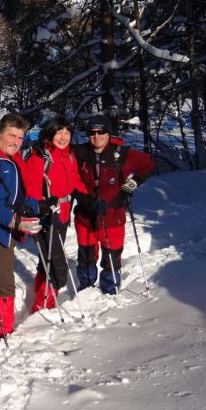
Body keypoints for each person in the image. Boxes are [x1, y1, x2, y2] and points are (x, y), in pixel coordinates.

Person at [0, 113, 41, 343]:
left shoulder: (12, 161)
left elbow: (18, 195)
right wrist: (14, 220)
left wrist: (39, 207)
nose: (15, 141)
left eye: (20, 137)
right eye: (11, 135)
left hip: (5, 228)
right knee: (4, 285)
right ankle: (1, 333)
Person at [73, 115, 155, 294]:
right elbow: (60, 160)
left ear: (108, 133)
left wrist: (131, 185)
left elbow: (148, 164)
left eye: (101, 131)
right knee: (86, 255)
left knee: (112, 254)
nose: (97, 136)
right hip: (85, 216)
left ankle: (110, 289)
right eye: (92, 132)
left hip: (112, 216)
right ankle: (86, 289)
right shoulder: (79, 152)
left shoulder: (121, 153)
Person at [23, 116, 88, 313]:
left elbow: (75, 180)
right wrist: (41, 206)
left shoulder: (69, 154)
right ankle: (44, 306)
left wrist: (90, 198)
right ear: (50, 133)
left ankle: (40, 301)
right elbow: (30, 190)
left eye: (67, 132)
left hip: (63, 214)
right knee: (58, 267)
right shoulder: (40, 156)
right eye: (59, 132)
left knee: (48, 261)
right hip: (46, 216)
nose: (63, 137)